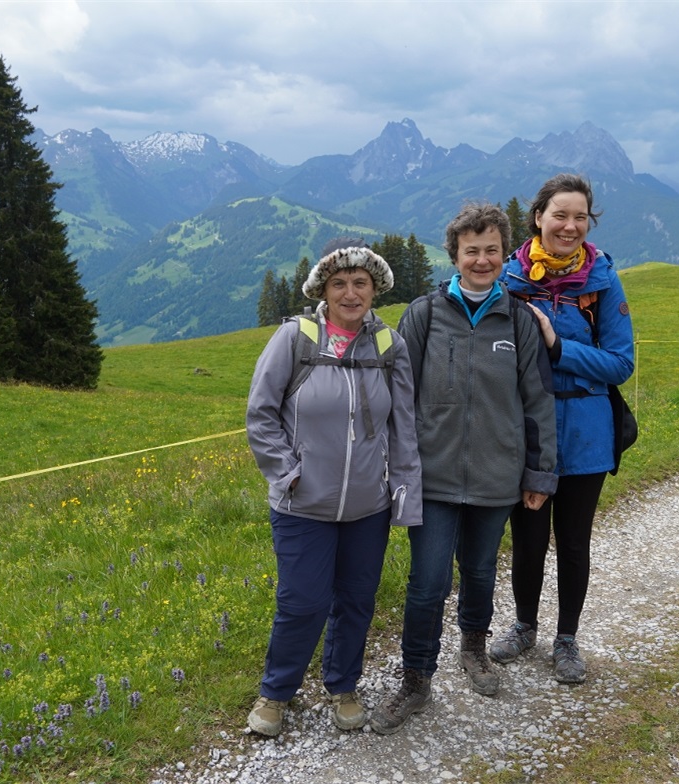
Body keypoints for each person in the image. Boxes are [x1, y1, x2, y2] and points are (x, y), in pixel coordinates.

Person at [369, 203, 558, 735]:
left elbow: (538, 401)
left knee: (478, 572)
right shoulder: (424, 314)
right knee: (428, 583)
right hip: (432, 478)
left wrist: (540, 475)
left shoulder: (518, 320)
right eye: (471, 250)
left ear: (504, 255)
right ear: (454, 255)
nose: (481, 259)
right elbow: (397, 396)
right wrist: (393, 467)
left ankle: (473, 648)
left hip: (499, 479)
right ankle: (415, 679)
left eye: (491, 250)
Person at [244, 237, 423, 737]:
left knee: (357, 600)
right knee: (302, 602)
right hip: (303, 505)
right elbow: (260, 416)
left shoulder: (389, 346)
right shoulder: (296, 339)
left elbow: (403, 428)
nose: (350, 293)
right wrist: (287, 473)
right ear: (323, 289)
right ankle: (276, 694)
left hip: (369, 505)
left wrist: (405, 494)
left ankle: (343, 685)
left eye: (360, 283)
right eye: (339, 283)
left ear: (375, 290)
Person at [489, 173, 635, 683]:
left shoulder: (603, 282)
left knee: (573, 542)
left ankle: (567, 639)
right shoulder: (509, 280)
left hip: (586, 434)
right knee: (527, 538)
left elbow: (620, 363)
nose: (570, 226)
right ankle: (525, 626)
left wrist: (557, 348)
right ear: (538, 217)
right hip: (526, 432)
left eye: (580, 217)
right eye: (560, 215)